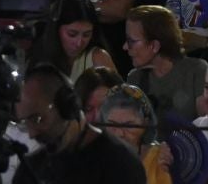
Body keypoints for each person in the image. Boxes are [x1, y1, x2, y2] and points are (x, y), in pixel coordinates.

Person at [11, 64, 147, 184]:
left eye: (38, 119)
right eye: (25, 122)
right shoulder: (31, 169)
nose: (32, 133)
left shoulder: (121, 164)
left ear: (67, 106)